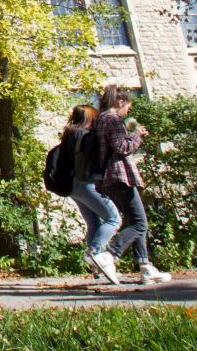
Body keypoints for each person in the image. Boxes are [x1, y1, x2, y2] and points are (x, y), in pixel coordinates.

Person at [94, 84, 172, 284]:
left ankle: (145, 266)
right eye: (127, 106)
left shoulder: (101, 120)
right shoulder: (112, 119)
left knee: (135, 220)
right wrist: (137, 135)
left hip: (108, 178)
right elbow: (121, 147)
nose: (128, 110)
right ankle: (110, 255)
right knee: (140, 222)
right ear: (120, 102)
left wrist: (130, 132)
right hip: (119, 175)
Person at [58, 104, 122, 284]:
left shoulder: (69, 135)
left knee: (94, 222)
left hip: (73, 187)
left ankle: (97, 268)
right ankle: (94, 253)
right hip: (86, 183)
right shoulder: (85, 135)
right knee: (113, 219)